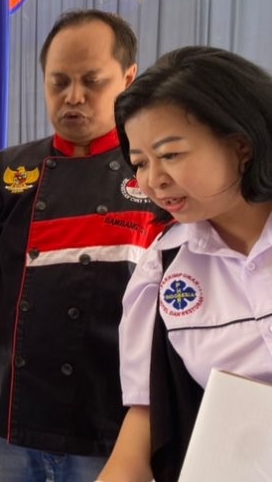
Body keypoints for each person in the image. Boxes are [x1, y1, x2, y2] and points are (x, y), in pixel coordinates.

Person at [0, 10, 166, 481]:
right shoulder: (6, 172)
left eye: (92, 81)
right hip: (5, 427)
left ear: (129, 78)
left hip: (113, 434)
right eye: (59, 82)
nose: (73, 97)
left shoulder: (154, 172)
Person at [97, 47, 272, 481]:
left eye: (171, 155)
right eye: (140, 163)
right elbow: (142, 427)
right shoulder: (163, 270)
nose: (153, 180)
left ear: (241, 145)